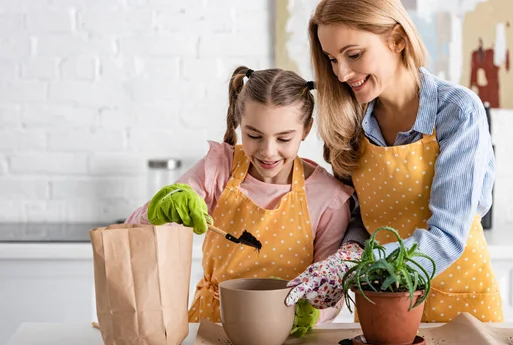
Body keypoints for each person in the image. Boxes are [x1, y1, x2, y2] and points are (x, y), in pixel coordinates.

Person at [285, 0, 503, 323]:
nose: (342, 73)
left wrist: (358, 266)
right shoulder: (349, 123)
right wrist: (348, 254)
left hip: (461, 307)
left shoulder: (458, 113)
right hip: (382, 306)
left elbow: (448, 237)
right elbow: (360, 219)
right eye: (332, 59)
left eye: (354, 54)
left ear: (397, 40)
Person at [127, 66, 353, 327]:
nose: (268, 152)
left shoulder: (328, 198)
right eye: (254, 136)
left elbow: (331, 293)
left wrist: (313, 315)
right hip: (213, 326)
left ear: (306, 129)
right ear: (239, 123)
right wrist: (159, 211)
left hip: (284, 333)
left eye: (284, 138)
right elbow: (133, 232)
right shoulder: (219, 168)